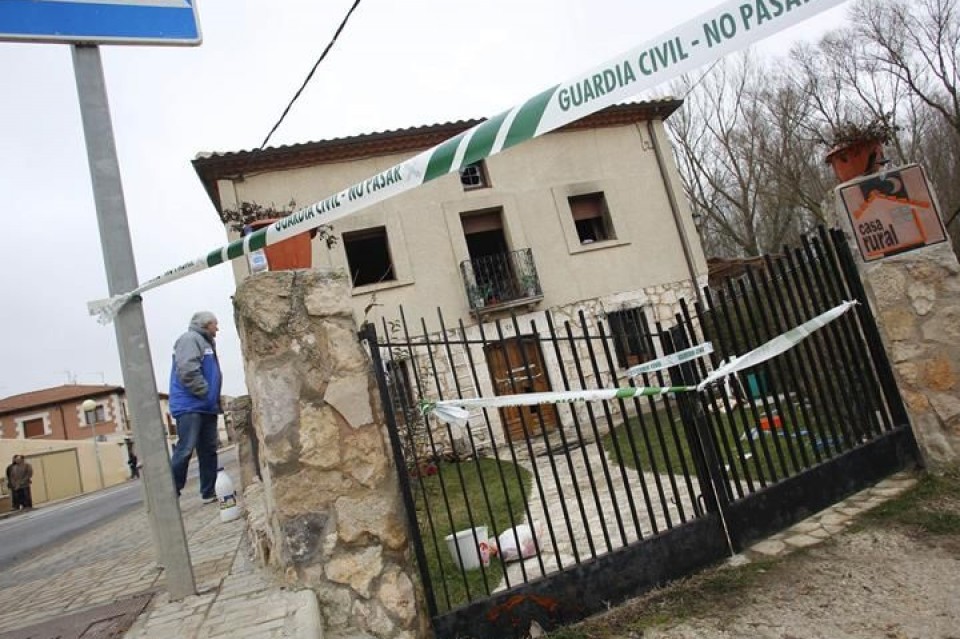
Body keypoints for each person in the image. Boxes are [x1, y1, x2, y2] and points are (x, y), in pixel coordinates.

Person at [169, 311, 223, 502]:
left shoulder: (207, 343)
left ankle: (208, 491)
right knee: (185, 449)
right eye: (215, 324)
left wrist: (213, 400)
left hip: (206, 407)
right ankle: (171, 491)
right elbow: (187, 369)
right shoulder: (190, 339)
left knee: (208, 450)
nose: (217, 328)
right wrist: (205, 392)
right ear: (206, 324)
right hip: (190, 406)